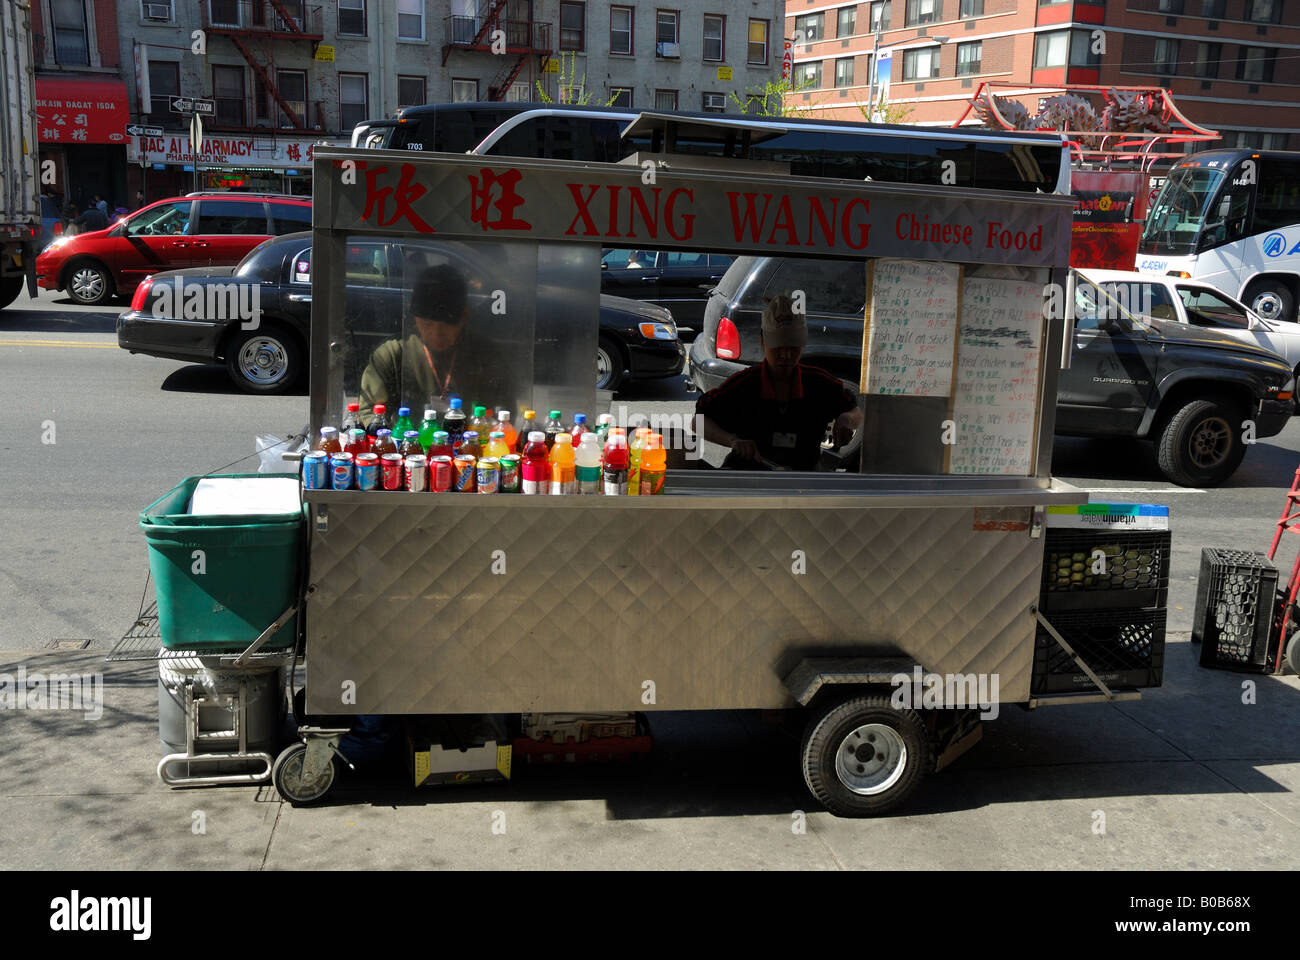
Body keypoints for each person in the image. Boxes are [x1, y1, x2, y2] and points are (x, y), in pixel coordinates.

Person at [695, 295, 863, 470]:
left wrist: (846, 420)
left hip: (802, 480)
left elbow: (854, 412)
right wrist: (733, 441)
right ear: (763, 342)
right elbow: (698, 422)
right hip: (750, 477)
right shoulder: (744, 385)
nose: (786, 355)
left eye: (793, 347)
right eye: (778, 347)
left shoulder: (819, 383)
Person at [359, 262, 507, 423]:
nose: (437, 334)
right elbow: (368, 412)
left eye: (447, 325)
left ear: (465, 316)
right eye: (427, 323)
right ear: (415, 318)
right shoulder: (392, 354)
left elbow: (503, 412)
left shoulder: (484, 354)